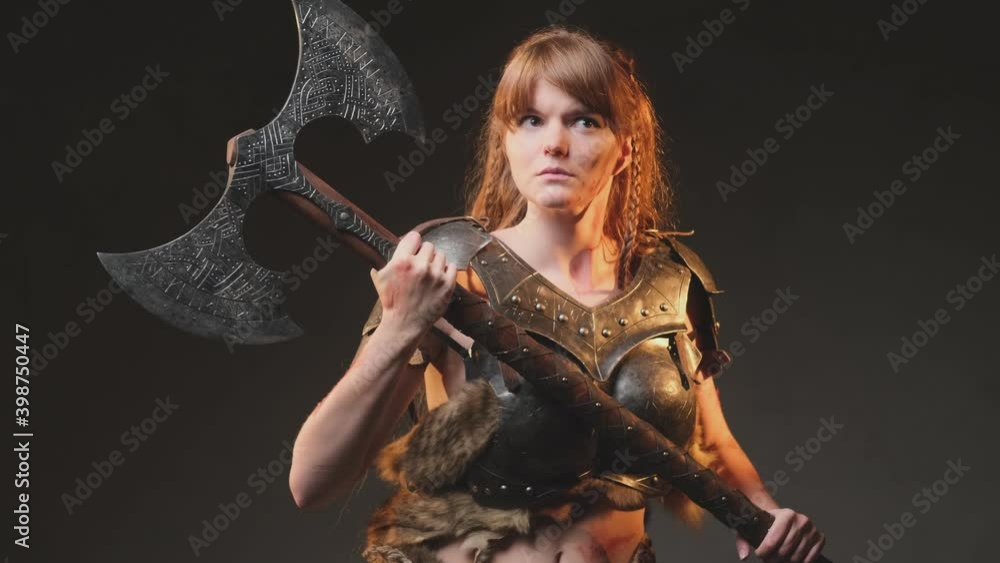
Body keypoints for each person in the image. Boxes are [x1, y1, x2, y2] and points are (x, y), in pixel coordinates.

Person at [290, 26, 826, 563]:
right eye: (530, 120)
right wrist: (400, 327)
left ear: (624, 149)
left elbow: (711, 443)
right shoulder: (450, 269)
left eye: (584, 120)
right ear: (506, 141)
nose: (553, 143)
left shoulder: (671, 282)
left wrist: (764, 512)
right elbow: (311, 482)